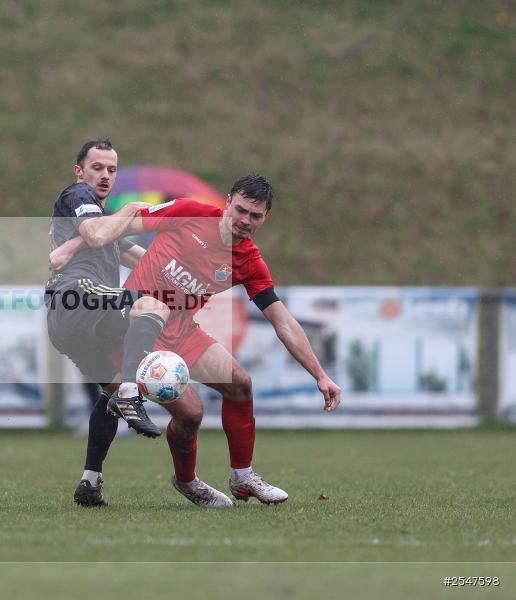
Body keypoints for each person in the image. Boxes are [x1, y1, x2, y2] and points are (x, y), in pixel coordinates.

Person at [52, 173, 342, 508]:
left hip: (182, 329)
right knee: (191, 413)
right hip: (137, 326)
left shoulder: (248, 261)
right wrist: (74, 244)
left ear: (265, 219)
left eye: (255, 216)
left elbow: (283, 322)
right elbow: (121, 226)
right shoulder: (190, 213)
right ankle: (188, 482)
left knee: (240, 384)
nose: (245, 221)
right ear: (228, 201)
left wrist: (320, 375)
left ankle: (243, 476)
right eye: (241, 210)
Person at [46, 139, 179, 504]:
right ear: (79, 171)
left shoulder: (102, 219)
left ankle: (90, 482)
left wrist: (184, 270)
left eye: (111, 169)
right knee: (152, 306)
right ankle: (132, 393)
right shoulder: (78, 196)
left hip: (71, 325)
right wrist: (133, 209)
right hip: (78, 295)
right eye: (97, 168)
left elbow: (144, 260)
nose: (105, 175)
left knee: (108, 390)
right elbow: (95, 234)